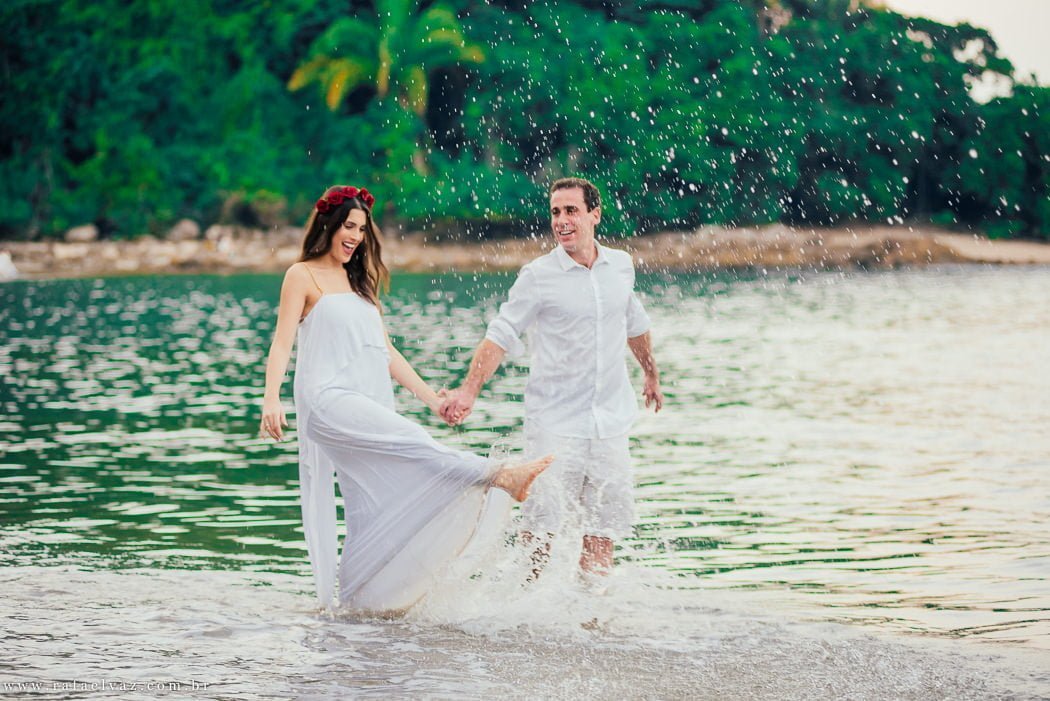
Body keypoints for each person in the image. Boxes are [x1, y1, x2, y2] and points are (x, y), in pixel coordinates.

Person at [260, 185, 551, 612]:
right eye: (348, 226)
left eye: (361, 229)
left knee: (369, 502)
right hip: (325, 401)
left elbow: (387, 353)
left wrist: (434, 400)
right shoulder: (301, 275)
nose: (355, 236)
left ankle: (361, 602)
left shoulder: (359, 283)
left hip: (363, 400)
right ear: (328, 224)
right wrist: (271, 398)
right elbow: (282, 343)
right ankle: (496, 474)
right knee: (412, 443)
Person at [440, 177, 663, 580]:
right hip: (555, 424)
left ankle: (591, 622)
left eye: (571, 211)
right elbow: (501, 334)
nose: (561, 220)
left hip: (610, 422)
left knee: (602, 529)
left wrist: (651, 375)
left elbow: (635, 323)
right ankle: (526, 614)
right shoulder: (538, 276)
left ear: (594, 215)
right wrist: (469, 390)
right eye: (556, 212)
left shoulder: (621, 266)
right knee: (541, 529)